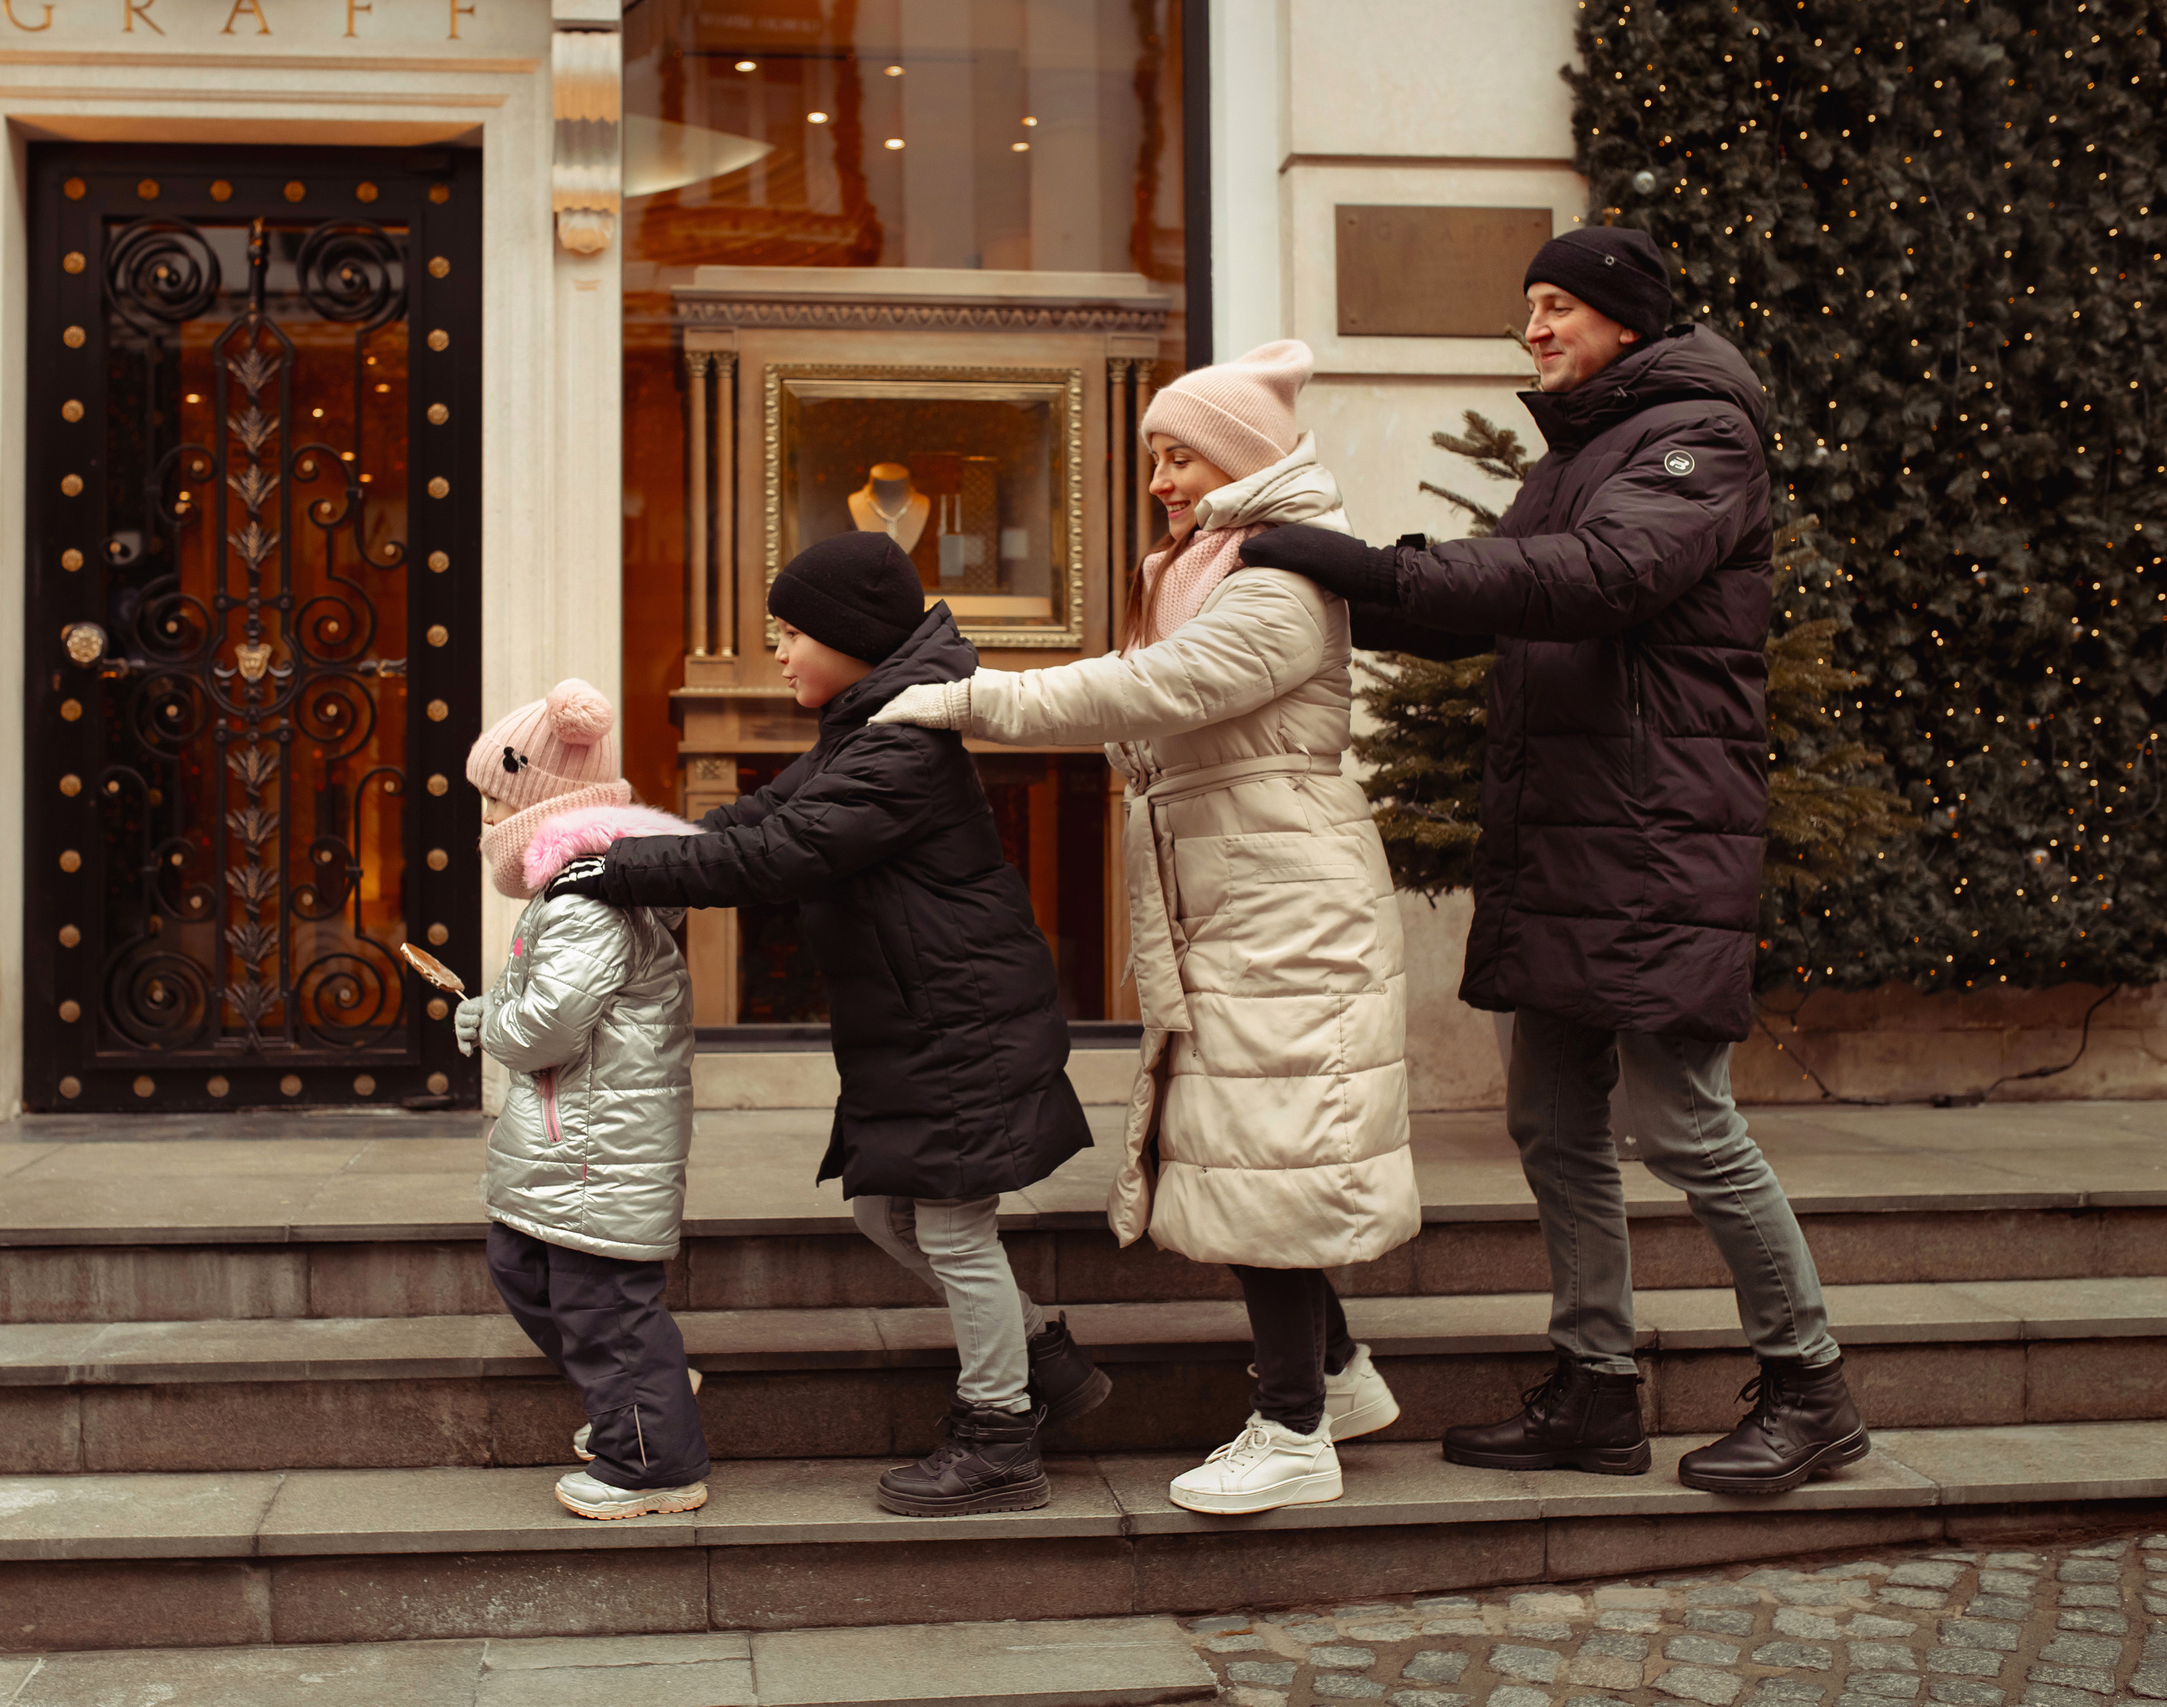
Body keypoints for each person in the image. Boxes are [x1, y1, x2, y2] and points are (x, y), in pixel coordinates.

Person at [1236, 226, 1868, 1495]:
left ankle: (1811, 1388)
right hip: (1572, 827)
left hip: (1654, 830)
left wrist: (1378, 567)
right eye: (1527, 305)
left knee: (1683, 1122)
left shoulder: (1702, 437)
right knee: (1549, 1120)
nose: (1532, 328)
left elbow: (1600, 576)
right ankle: (1594, 1389)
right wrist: (1347, 603)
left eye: (1557, 306)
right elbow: (1508, 611)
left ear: (1626, 322)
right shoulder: (1589, 448)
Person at [865, 340, 1415, 1516]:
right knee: (1247, 1141)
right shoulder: (1201, 566)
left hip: (1282, 904)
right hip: (1237, 893)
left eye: (1185, 455)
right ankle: (1337, 1372)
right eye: (1157, 456)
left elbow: (1150, 689)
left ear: (1244, 460)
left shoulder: (1272, 584)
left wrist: (968, 701)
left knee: (1258, 1147)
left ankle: (1292, 1433)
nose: (1162, 478)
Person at [545, 531, 1111, 1518]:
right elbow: (754, 824)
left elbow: (782, 855)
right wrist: (629, 841)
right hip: (928, 1021)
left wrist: (617, 870)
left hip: (956, 1025)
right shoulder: (869, 724)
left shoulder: (900, 744)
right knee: (883, 1210)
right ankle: (1041, 1366)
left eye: (792, 631)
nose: (778, 650)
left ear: (851, 638)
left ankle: (999, 1434)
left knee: (950, 1226)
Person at [455, 678, 715, 1520]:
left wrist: (492, 1020)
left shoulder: (586, 901)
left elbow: (546, 1027)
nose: (485, 824)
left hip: (597, 1145)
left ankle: (649, 1458)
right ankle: (648, 1392)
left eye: (494, 806)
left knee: (603, 1305)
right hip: (580, 1135)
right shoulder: (577, 890)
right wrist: (488, 1014)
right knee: (521, 1262)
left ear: (535, 810)